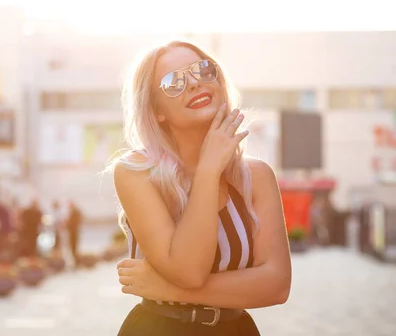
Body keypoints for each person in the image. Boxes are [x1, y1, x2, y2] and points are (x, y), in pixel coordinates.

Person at [111, 41, 291, 335]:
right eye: (173, 82)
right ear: (157, 111)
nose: (194, 83)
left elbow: (277, 286)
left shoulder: (257, 175)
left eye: (203, 70)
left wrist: (165, 288)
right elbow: (188, 271)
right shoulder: (135, 172)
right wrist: (209, 170)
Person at [66, 200, 83, 266]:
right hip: (73, 231)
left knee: (74, 247)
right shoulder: (74, 212)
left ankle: (77, 262)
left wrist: (67, 224)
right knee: (74, 247)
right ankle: (76, 261)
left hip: (73, 232)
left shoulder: (75, 212)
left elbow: (73, 222)